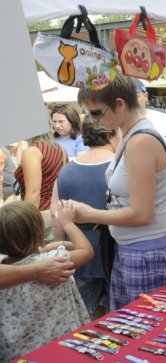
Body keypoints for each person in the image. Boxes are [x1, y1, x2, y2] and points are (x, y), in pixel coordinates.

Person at [74, 74, 166, 310]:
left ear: (120, 104)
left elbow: (141, 214)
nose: (92, 121)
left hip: (147, 250)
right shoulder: (130, 134)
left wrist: (89, 214)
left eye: (96, 112)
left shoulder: (140, 140)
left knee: (143, 328)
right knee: (129, 326)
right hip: (137, 248)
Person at [0, 200, 92, 361]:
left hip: (17, 352)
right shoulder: (54, 261)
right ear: (39, 232)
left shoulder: (4, 267)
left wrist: (49, 247)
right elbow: (86, 251)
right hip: (62, 346)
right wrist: (67, 223)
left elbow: (23, 256)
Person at [51, 120, 120, 317]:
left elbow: (56, 212)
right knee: (118, 315)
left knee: (88, 316)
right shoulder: (120, 165)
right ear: (110, 135)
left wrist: (60, 246)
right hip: (115, 251)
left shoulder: (67, 171)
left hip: (79, 252)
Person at [14, 131, 67, 243]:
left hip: (40, 215)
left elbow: (34, 193)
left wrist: (27, 224)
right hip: (58, 212)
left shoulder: (32, 151)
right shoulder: (60, 149)